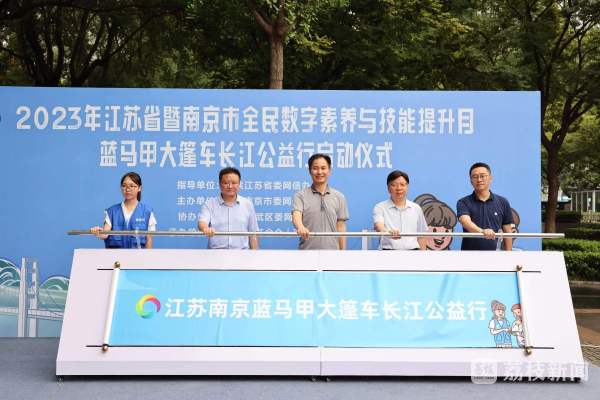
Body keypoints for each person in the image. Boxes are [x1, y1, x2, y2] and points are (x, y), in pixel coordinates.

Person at [292, 153, 349, 250]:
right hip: (306, 252)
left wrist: (342, 252)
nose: (319, 172)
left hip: (332, 253)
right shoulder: (300, 195)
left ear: (329, 170)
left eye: (323, 168)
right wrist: (300, 227)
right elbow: (296, 215)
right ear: (309, 171)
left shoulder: (339, 196)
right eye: (315, 168)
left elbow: (341, 227)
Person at [456, 162, 513, 251]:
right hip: (469, 255)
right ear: (471, 181)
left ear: (490, 178)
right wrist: (482, 232)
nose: (479, 180)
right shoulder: (463, 202)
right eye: (475, 177)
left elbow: (507, 231)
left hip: (495, 255)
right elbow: (465, 222)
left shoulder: (503, 202)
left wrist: (509, 254)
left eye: (483, 176)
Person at [91, 172, 156, 248]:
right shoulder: (111, 211)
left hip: (138, 255)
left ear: (139, 188)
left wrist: (148, 255)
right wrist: (98, 231)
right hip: (115, 255)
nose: (127, 189)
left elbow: (149, 239)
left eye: (132, 186)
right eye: (124, 186)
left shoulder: (147, 211)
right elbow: (104, 235)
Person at [198, 167, 258, 249]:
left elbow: (253, 232)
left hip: (242, 253)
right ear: (220, 184)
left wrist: (254, 254)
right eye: (226, 183)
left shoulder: (247, 204)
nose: (230, 186)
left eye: (234, 183)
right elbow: (202, 222)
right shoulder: (209, 204)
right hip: (215, 253)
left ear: (239, 184)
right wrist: (206, 228)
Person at [373, 171, 427, 250]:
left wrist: (423, 256)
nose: (398, 188)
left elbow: (421, 236)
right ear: (388, 188)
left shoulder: (416, 208)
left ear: (407, 187)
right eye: (394, 185)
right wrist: (388, 232)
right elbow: (379, 226)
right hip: (387, 253)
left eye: (402, 184)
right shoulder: (380, 207)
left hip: (413, 253)